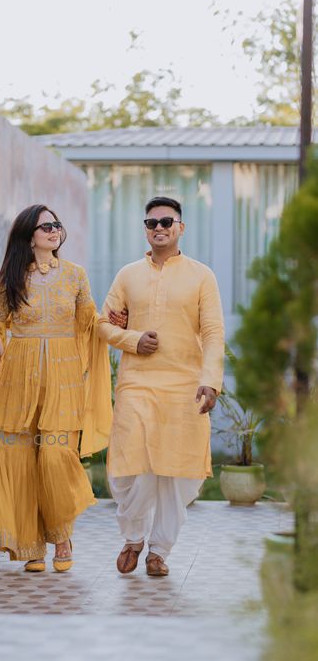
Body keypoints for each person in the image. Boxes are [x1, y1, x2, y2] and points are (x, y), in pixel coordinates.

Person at [0, 204, 113, 572]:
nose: (54, 231)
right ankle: (31, 546)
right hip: (17, 381)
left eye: (57, 225)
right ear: (29, 237)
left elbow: (89, 319)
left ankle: (61, 535)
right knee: (19, 460)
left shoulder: (75, 275)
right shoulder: (11, 278)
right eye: (45, 226)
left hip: (64, 381)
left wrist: (114, 325)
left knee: (55, 457)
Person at [98, 196, 225, 577]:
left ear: (180, 227)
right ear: (145, 230)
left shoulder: (202, 276)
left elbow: (213, 332)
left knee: (177, 472)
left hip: (185, 385)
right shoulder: (127, 275)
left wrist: (210, 381)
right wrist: (133, 339)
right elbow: (103, 324)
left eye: (167, 222)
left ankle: (158, 550)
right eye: (152, 223)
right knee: (128, 465)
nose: (159, 228)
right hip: (136, 383)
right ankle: (133, 536)